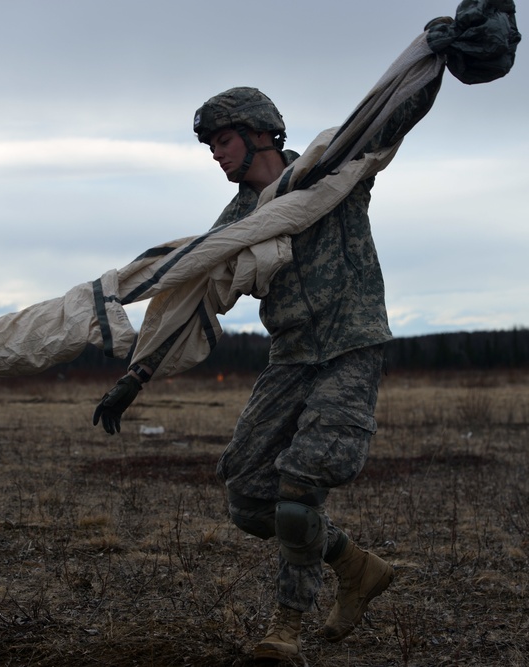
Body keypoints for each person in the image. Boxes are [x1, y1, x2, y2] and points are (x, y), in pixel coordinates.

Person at [93, 72, 441, 663]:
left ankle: (286, 629)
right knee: (250, 499)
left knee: (301, 486)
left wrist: (439, 54)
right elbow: (187, 293)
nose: (216, 155)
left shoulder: (329, 173)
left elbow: (389, 116)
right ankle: (357, 567)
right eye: (210, 147)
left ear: (259, 133)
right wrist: (135, 376)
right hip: (290, 358)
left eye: (222, 141)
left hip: (349, 348)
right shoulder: (236, 220)